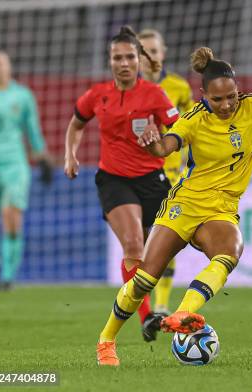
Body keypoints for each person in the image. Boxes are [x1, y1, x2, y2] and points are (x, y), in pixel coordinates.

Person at [95, 46, 252, 366]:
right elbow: (168, 145)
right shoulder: (193, 119)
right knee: (144, 280)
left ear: (238, 91)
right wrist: (154, 144)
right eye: (217, 99)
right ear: (203, 95)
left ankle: (183, 313)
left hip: (221, 209)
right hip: (185, 204)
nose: (225, 105)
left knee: (230, 252)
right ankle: (106, 341)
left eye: (231, 97)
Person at [64, 26, 180, 342]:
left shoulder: (155, 95)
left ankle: (167, 303)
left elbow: (180, 131)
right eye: (117, 57)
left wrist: (161, 142)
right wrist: (70, 155)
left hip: (153, 179)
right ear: (110, 60)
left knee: (159, 252)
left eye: (130, 56)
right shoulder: (97, 95)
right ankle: (146, 317)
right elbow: (76, 124)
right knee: (132, 244)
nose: (124, 63)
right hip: (114, 179)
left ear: (139, 60)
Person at [0, 50, 53, 291]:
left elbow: (32, 130)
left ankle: (7, 276)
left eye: (1, 63)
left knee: (12, 218)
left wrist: (43, 158)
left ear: (9, 67)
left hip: (14, 165)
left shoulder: (22, 95)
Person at [137, 28, 195, 315]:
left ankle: (160, 305)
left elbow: (195, 123)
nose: (150, 58)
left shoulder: (178, 87)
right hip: (135, 174)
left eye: (154, 51)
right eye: (144, 53)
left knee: (165, 236)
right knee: (140, 242)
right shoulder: (124, 90)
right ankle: (143, 305)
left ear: (164, 53)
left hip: (170, 174)